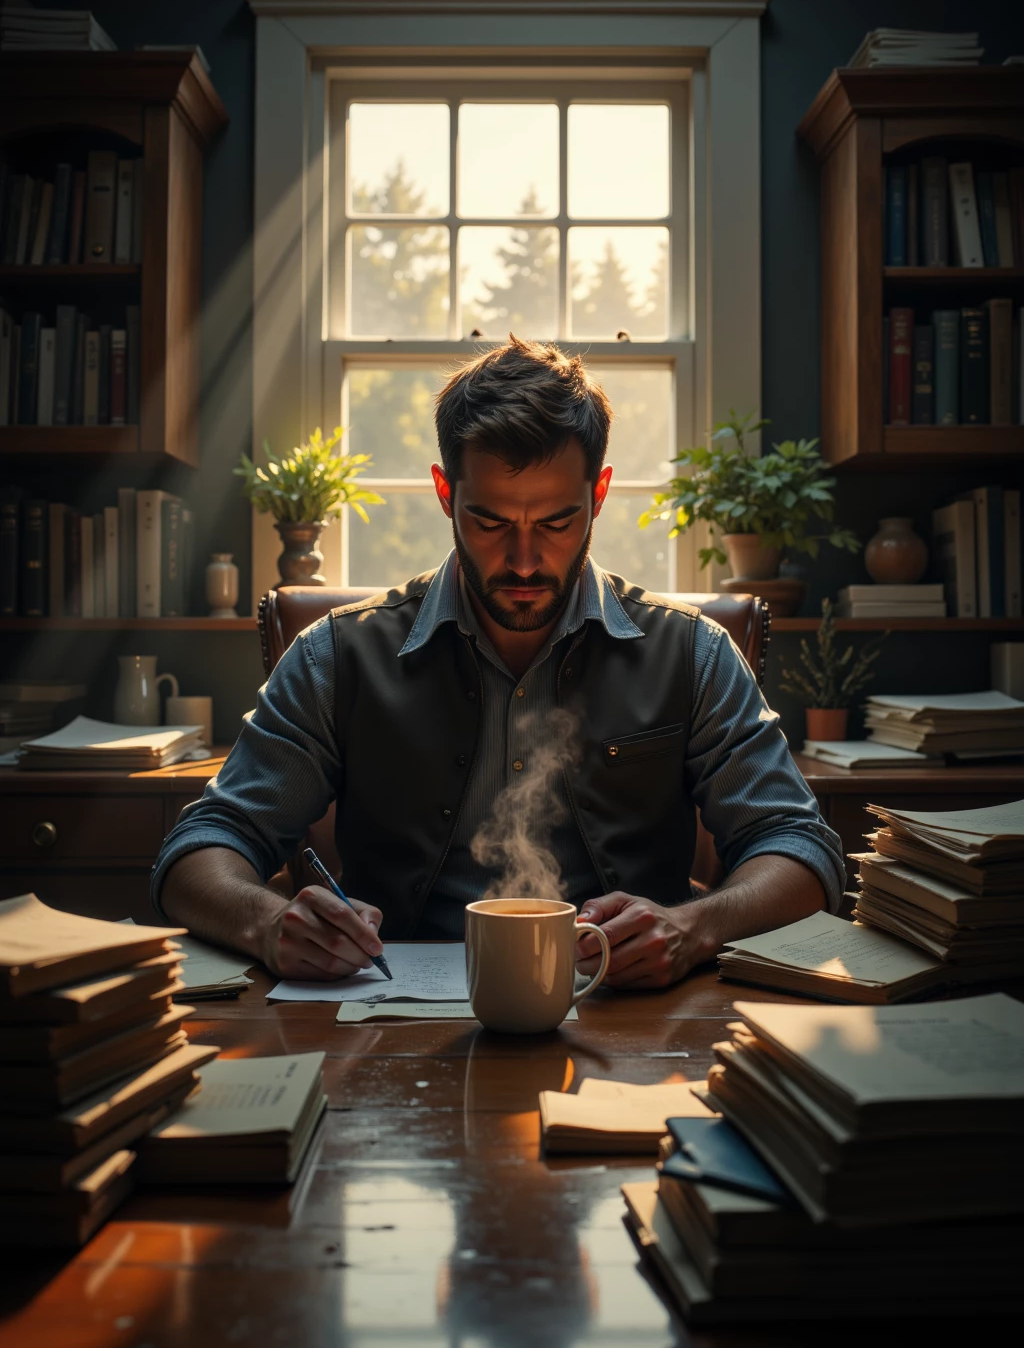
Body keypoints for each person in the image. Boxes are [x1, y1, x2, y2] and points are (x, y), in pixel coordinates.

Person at [155, 336, 844, 989]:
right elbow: (202, 847)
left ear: (599, 495)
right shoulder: (336, 655)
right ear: (445, 493)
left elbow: (801, 849)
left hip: (634, 1016)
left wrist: (695, 928)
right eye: (489, 523)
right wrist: (268, 922)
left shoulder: (693, 653)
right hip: (386, 1017)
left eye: (556, 523)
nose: (523, 561)